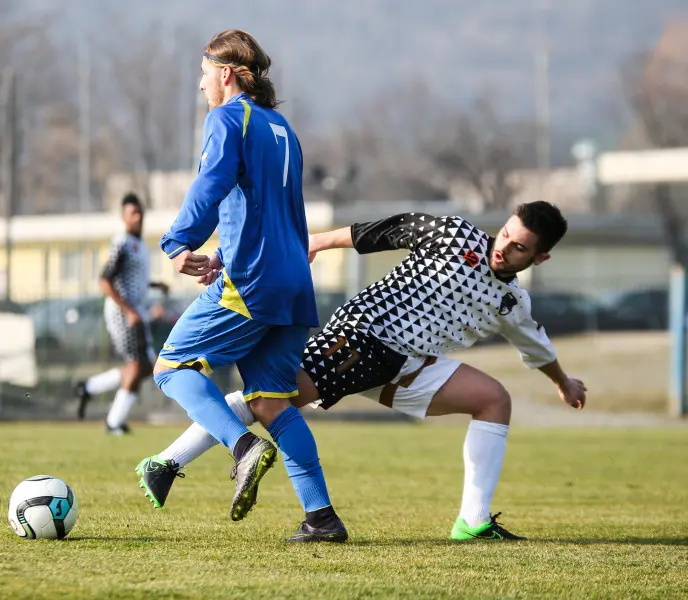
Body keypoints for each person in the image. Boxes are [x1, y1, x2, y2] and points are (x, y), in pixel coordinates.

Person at [139, 201, 587, 542]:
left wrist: (563, 382)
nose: (503, 248)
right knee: (271, 401)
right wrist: (313, 243)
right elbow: (375, 233)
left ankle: (473, 522)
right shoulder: (453, 234)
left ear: (540, 258)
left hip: (409, 365)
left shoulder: (513, 302)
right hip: (361, 337)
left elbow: (536, 345)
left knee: (494, 400)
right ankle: (169, 463)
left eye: (519, 248)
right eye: (506, 234)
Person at [135, 29, 346, 543]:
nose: (200, 83)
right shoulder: (281, 128)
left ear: (225, 73)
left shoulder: (228, 117)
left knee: (170, 368)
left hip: (254, 280)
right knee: (273, 402)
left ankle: (241, 447)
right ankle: (322, 519)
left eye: (204, 72)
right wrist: (223, 255)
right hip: (294, 282)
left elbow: (212, 184)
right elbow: (271, 210)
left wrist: (178, 241)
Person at [75, 193, 169, 435]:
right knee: (139, 366)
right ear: (124, 217)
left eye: (140, 213)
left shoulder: (139, 245)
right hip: (122, 312)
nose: (137, 218)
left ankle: (90, 387)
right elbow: (105, 281)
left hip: (136, 310)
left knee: (147, 366)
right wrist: (128, 311)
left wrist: (155, 285)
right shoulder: (122, 243)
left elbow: (133, 280)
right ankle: (114, 422)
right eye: (132, 214)